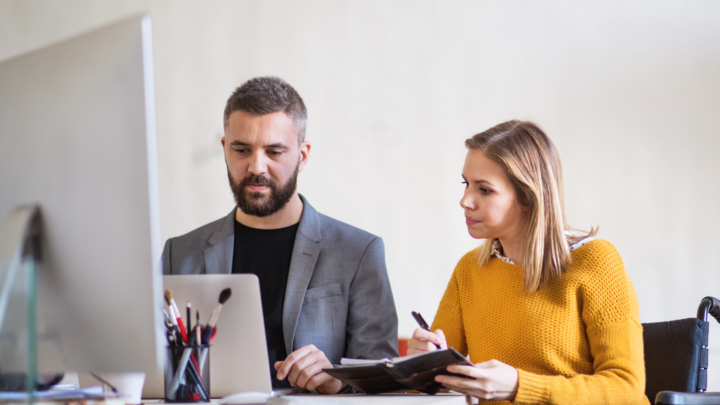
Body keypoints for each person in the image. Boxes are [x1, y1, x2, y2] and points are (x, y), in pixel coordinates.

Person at [162, 76, 398, 394]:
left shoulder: (359, 251)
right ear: (224, 149)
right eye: (242, 149)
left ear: (303, 156)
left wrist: (336, 380)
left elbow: (385, 384)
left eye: (274, 152)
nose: (256, 166)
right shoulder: (180, 253)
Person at [408, 121, 650, 404]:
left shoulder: (595, 261)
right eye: (466, 184)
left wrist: (520, 387)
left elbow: (626, 389)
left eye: (484, 190)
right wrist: (422, 364)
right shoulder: (470, 269)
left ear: (528, 196)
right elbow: (439, 381)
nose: (465, 200)